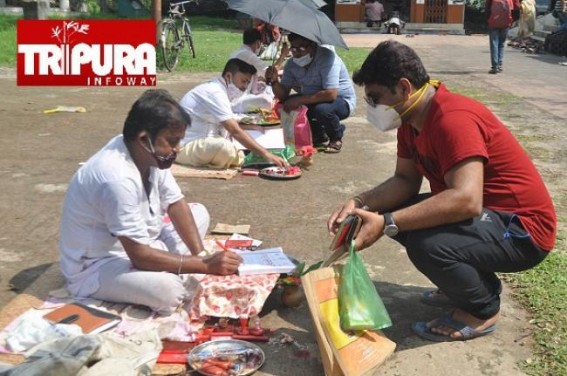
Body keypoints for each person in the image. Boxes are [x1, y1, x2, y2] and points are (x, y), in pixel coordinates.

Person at [328, 41, 556, 342]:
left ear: (404, 87)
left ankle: (482, 310)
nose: (373, 108)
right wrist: (361, 203)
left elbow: (466, 199)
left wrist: (388, 223)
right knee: (398, 218)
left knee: (425, 243)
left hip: (523, 231)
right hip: (490, 219)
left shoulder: (452, 119)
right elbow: (405, 180)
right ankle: (470, 285)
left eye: (375, 98)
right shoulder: (410, 122)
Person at [59, 89, 243, 316]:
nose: (178, 149)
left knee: (199, 213)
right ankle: (162, 270)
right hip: (98, 265)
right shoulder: (115, 176)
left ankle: (171, 262)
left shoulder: (150, 154)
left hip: (147, 241)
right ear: (144, 138)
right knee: (169, 291)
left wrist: (200, 254)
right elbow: (139, 255)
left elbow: (176, 203)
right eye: (172, 141)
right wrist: (206, 266)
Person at [176, 58, 288, 169]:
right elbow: (234, 130)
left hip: (207, 140)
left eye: (247, 83)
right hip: (186, 146)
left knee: (243, 136)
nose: (244, 87)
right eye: (243, 81)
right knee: (225, 148)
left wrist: (250, 126)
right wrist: (266, 154)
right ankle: (246, 160)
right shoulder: (214, 92)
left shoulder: (220, 90)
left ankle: (246, 156)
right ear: (229, 76)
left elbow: (228, 123)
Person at [265, 33, 356, 154]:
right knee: (284, 105)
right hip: (312, 98)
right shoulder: (292, 65)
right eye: (294, 49)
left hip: (340, 100)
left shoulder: (328, 58)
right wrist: (274, 81)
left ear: (312, 46)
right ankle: (318, 133)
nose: (297, 53)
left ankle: (336, 136)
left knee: (322, 110)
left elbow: (331, 94)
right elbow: (283, 95)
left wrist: (299, 100)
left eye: (301, 48)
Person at [228, 28, 289, 113]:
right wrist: (283, 55)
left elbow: (262, 75)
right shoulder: (248, 55)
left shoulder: (237, 53)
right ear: (258, 43)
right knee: (266, 100)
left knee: (264, 87)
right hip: (235, 100)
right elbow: (270, 73)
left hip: (235, 93)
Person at [486, 0, 521, 74]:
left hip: (493, 21)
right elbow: (517, 7)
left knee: (494, 43)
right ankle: (499, 65)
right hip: (506, 22)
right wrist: (511, 21)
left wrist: (488, 19)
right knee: (501, 43)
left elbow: (487, 6)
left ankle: (495, 66)